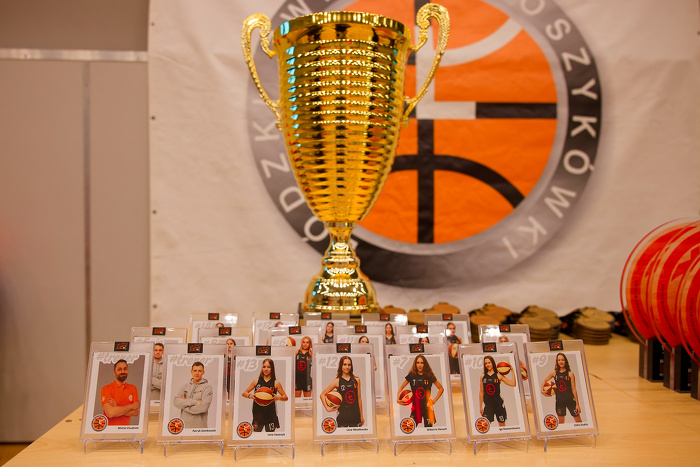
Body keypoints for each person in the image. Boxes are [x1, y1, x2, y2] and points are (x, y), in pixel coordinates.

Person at [397, 354, 444, 427]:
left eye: (422, 363)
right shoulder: (412, 375)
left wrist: (434, 401)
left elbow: (441, 388)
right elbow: (401, 387)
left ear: (425, 364)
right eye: (418, 363)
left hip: (427, 407)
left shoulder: (429, 376)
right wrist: (398, 399)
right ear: (415, 364)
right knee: (411, 428)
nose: (420, 365)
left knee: (429, 430)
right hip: (416, 406)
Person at [242, 358, 288, 432]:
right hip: (258, 413)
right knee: (256, 435)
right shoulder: (256, 381)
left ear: (272, 368)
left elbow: (285, 397)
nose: (266, 369)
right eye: (264, 367)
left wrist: (278, 398)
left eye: (268, 367)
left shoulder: (276, 383)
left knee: (270, 436)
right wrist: (250, 396)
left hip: (270, 414)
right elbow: (244, 393)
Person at [320, 356, 365, 427]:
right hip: (343, 417)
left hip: (355, 416)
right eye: (344, 364)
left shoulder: (356, 380)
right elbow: (322, 394)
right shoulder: (337, 381)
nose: (347, 367)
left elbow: (359, 398)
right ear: (341, 366)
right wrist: (328, 409)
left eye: (349, 365)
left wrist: (361, 416)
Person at [541, 353, 583, 424]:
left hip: (570, 401)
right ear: (557, 362)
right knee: (561, 423)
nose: (561, 362)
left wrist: (577, 404)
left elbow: (574, 389)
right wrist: (542, 390)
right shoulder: (554, 373)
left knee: (579, 422)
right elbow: (544, 381)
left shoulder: (570, 374)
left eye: (563, 360)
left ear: (565, 361)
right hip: (560, 402)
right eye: (559, 360)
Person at [173, 361, 213, 428]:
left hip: (199, 428)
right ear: (191, 372)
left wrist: (184, 406)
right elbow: (175, 401)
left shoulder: (207, 387)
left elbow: (204, 407)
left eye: (199, 371)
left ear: (203, 372)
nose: (197, 373)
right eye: (195, 371)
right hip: (184, 427)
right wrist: (195, 402)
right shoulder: (185, 386)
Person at [100, 359, 140, 426]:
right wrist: (131, 406)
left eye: (125, 369)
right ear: (114, 372)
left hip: (125, 429)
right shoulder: (106, 389)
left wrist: (116, 407)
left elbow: (136, 412)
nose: (123, 371)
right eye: (119, 369)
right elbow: (110, 413)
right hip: (108, 429)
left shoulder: (133, 388)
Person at [479, 355, 516, 427]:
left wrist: (512, 370)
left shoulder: (499, 376)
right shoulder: (483, 376)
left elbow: (513, 384)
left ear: (492, 363)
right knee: (485, 427)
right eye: (486, 363)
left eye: (489, 363)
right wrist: (480, 406)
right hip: (488, 406)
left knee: (502, 427)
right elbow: (481, 392)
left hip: (498, 405)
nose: (487, 365)